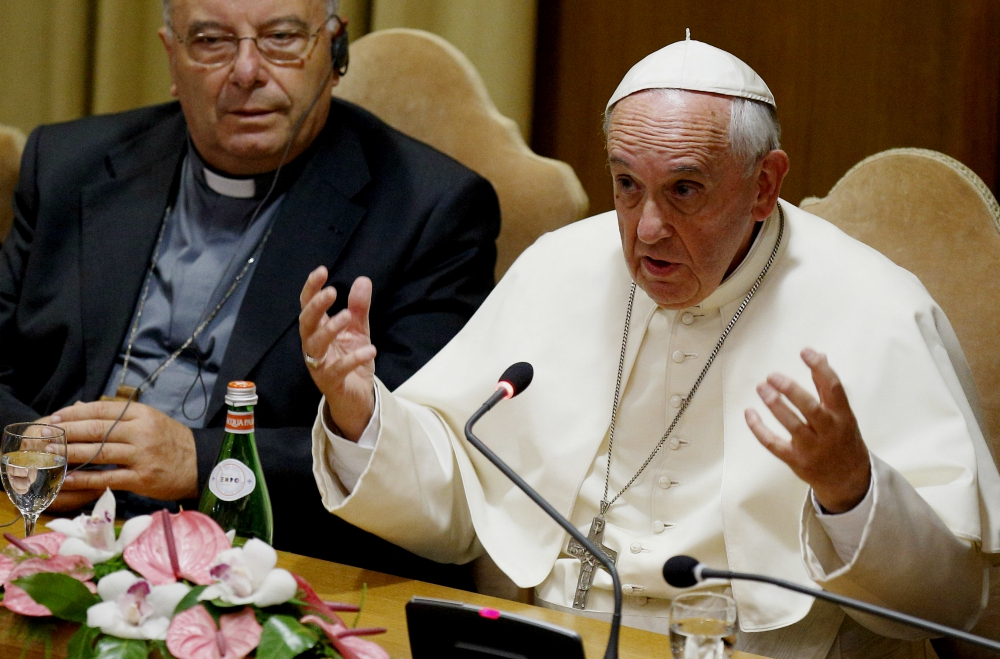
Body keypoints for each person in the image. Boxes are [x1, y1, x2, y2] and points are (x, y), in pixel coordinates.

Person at [302, 37, 1000, 658]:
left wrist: (852, 489)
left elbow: (945, 601)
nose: (647, 229)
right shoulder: (561, 266)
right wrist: (363, 415)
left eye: (685, 189)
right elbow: (458, 497)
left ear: (764, 184)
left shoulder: (876, 306)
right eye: (627, 185)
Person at [0, 0, 499, 589]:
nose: (246, 70)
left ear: (333, 53)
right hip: (44, 527)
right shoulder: (67, 165)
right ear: (171, 55)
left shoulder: (428, 211)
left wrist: (197, 460)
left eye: (281, 37)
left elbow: (420, 466)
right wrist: (32, 444)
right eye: (211, 40)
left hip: (264, 565)